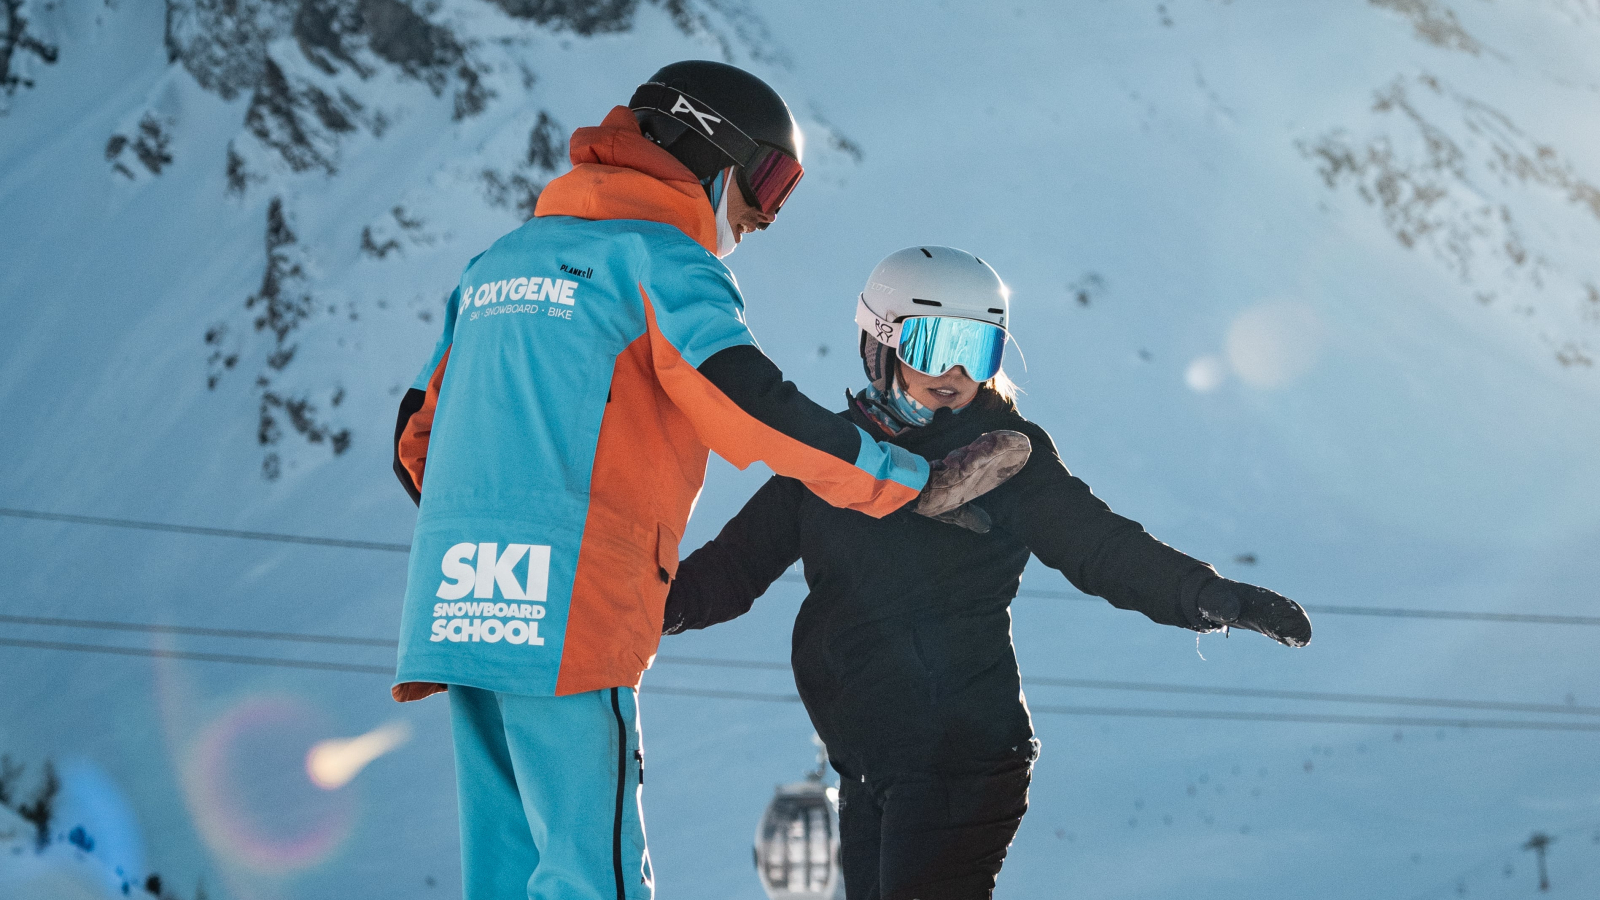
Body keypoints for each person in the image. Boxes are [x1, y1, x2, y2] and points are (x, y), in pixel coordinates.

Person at [387, 64, 1031, 900]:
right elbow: (750, 402)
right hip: (566, 617)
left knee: (508, 873)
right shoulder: (661, 262)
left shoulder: (496, 266)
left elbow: (419, 437)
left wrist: (494, 532)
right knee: (596, 875)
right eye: (769, 180)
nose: (764, 215)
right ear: (709, 150)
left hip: (462, 604)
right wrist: (906, 482)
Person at [662, 246, 1313, 900]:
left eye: (976, 350)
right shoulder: (834, 456)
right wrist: (635, 606)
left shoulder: (1006, 458)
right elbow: (734, 567)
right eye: (932, 343)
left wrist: (1207, 595)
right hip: (868, 766)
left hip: (961, 759)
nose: (951, 371)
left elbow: (1099, 544)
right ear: (879, 345)